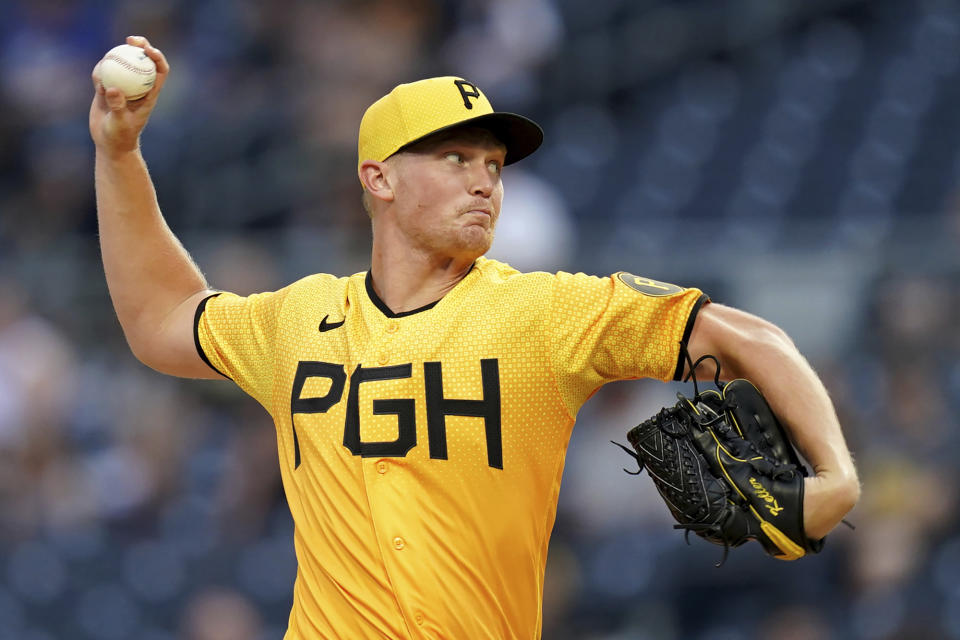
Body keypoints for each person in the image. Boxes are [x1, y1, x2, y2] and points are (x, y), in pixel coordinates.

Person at [90, 36, 860, 640]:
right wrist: (119, 157)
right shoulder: (298, 320)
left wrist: (836, 476)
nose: (484, 180)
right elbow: (161, 321)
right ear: (379, 178)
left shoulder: (548, 314)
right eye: (454, 157)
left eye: (493, 163)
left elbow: (744, 336)